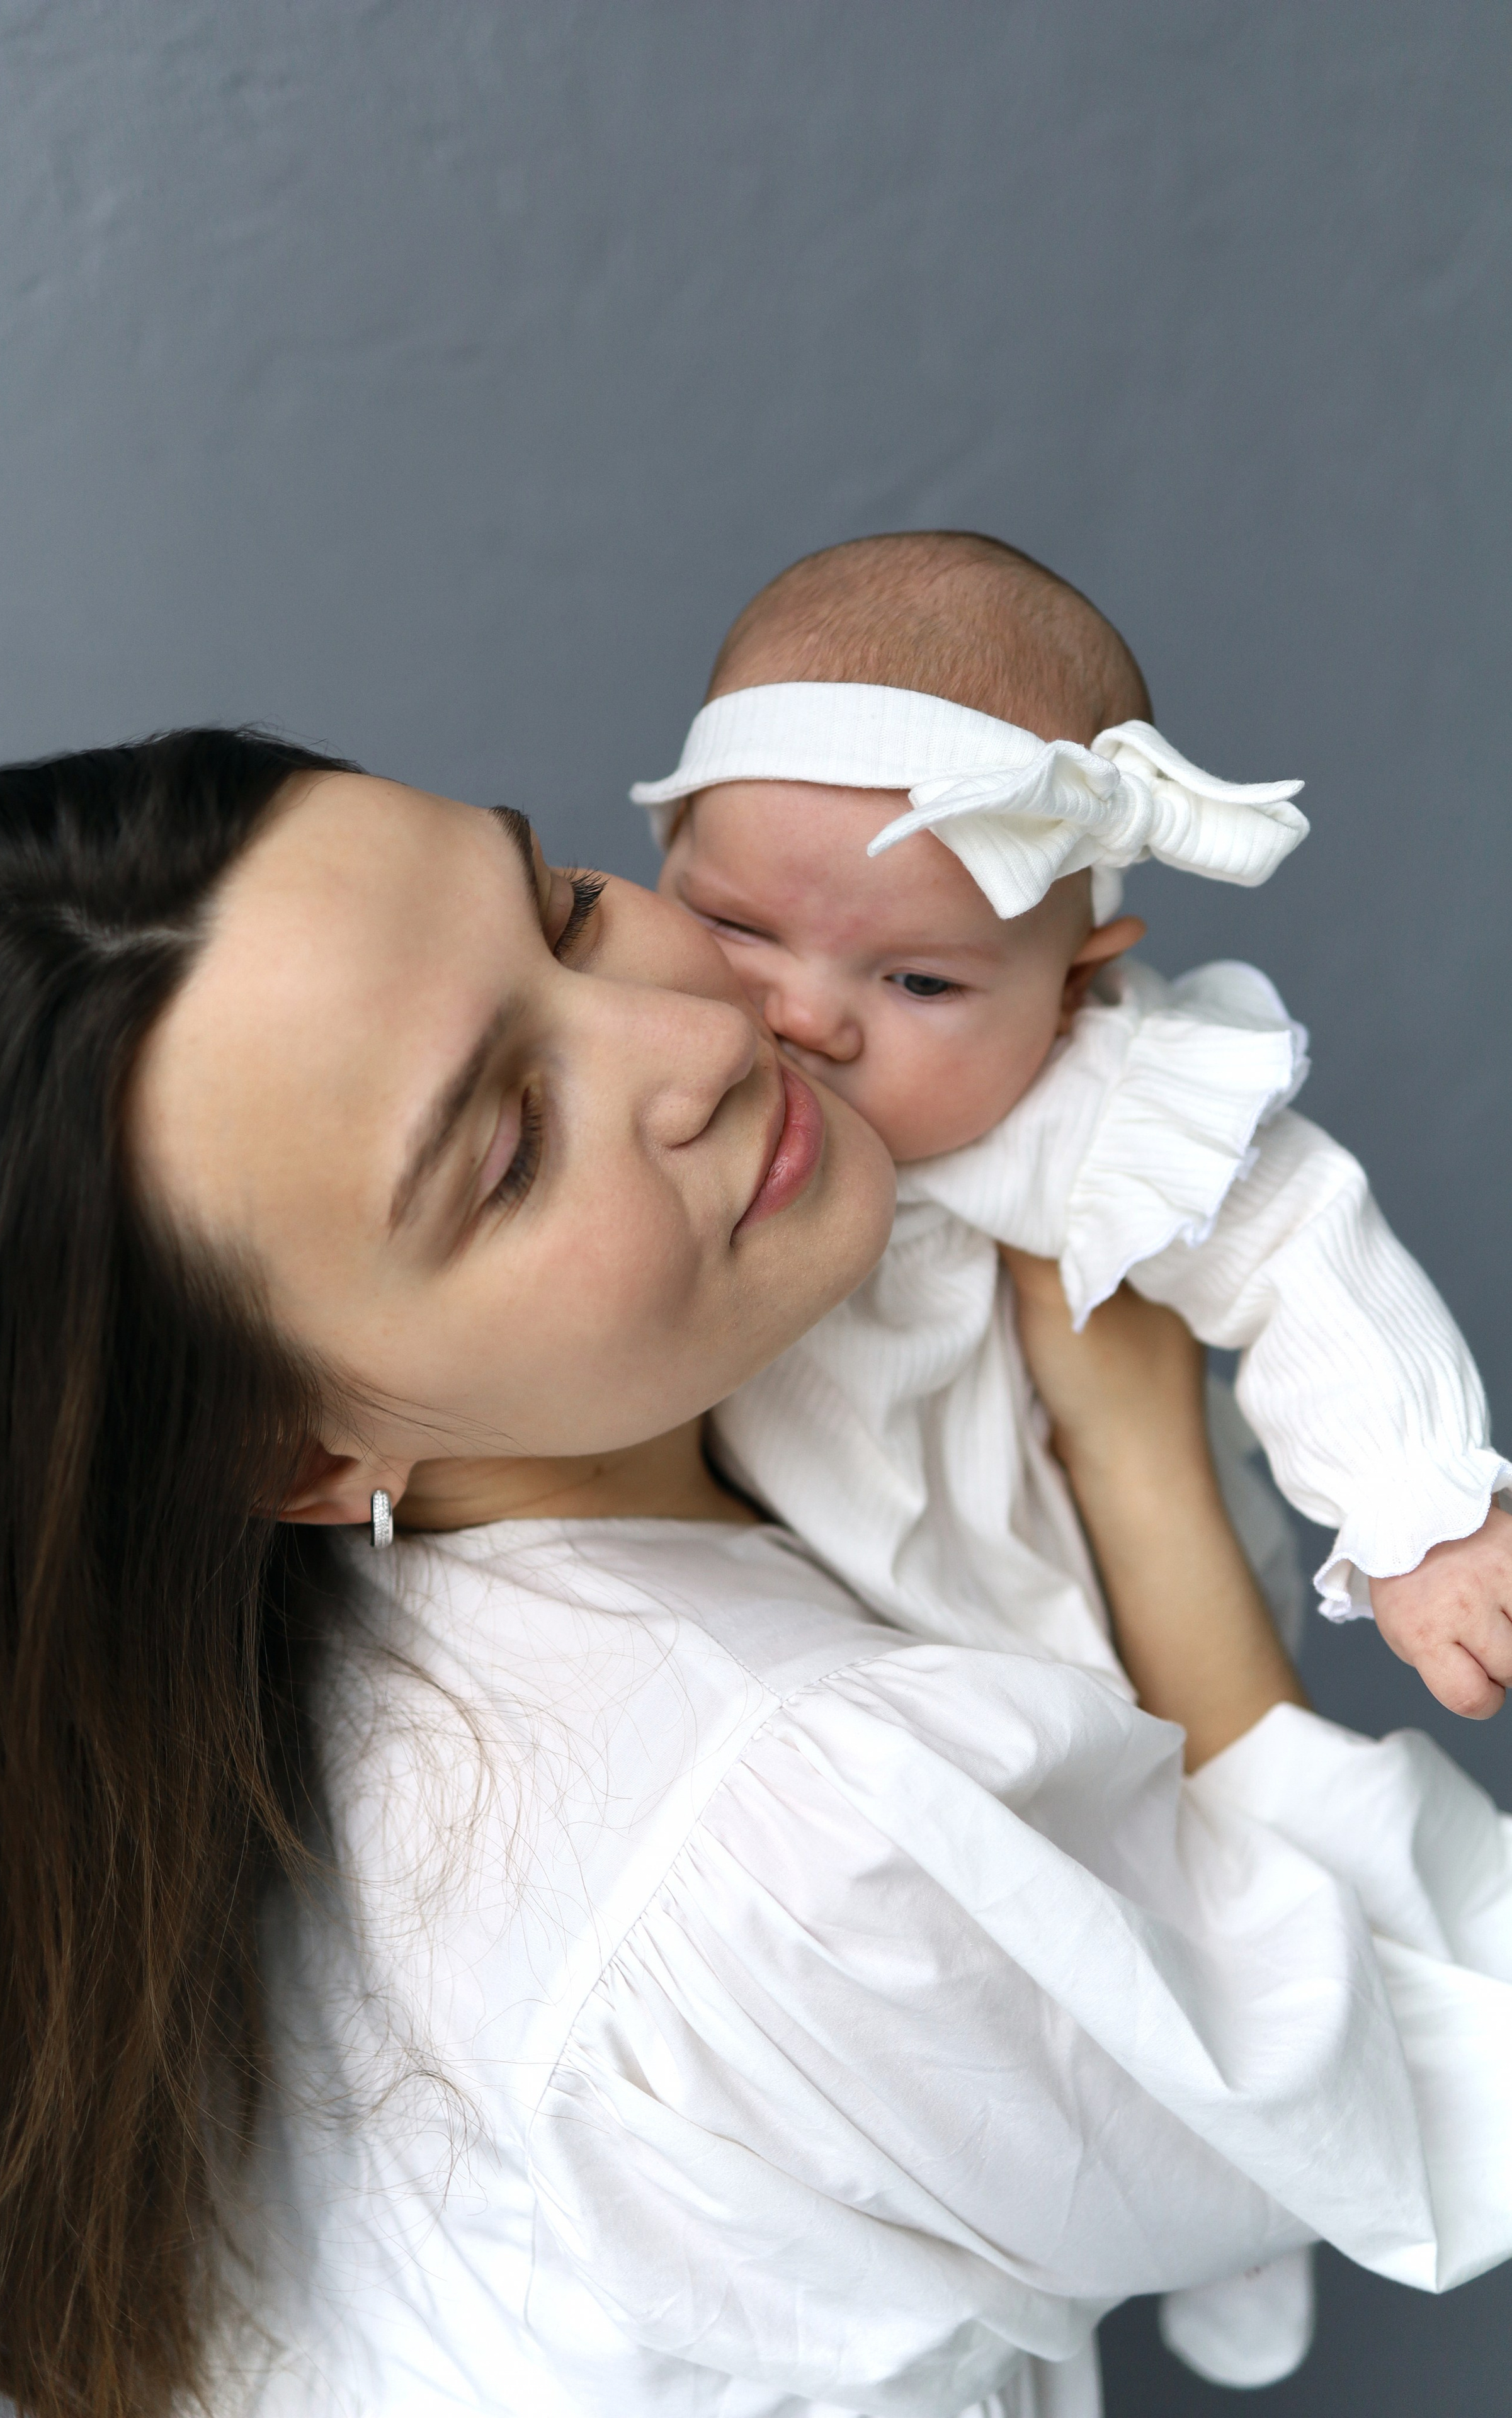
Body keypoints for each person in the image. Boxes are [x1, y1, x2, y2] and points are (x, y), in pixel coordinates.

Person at [0, 732, 1511, 2418]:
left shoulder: (187, 1721)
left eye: (565, 912)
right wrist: (1140, 1463)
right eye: (511, 1150)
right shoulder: (794, 1838)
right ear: (301, 1463)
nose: (717, 1038)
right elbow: (1403, 2088)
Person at [632, 530, 1512, 1716]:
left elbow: (1303, 1249)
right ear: (668, 864)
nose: (804, 1019)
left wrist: (1423, 1513)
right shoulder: (629, 1070)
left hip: (1074, 1624)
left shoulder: (1079, 1108)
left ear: (1071, 993)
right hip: (778, 1633)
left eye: (919, 983)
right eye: (737, 927)